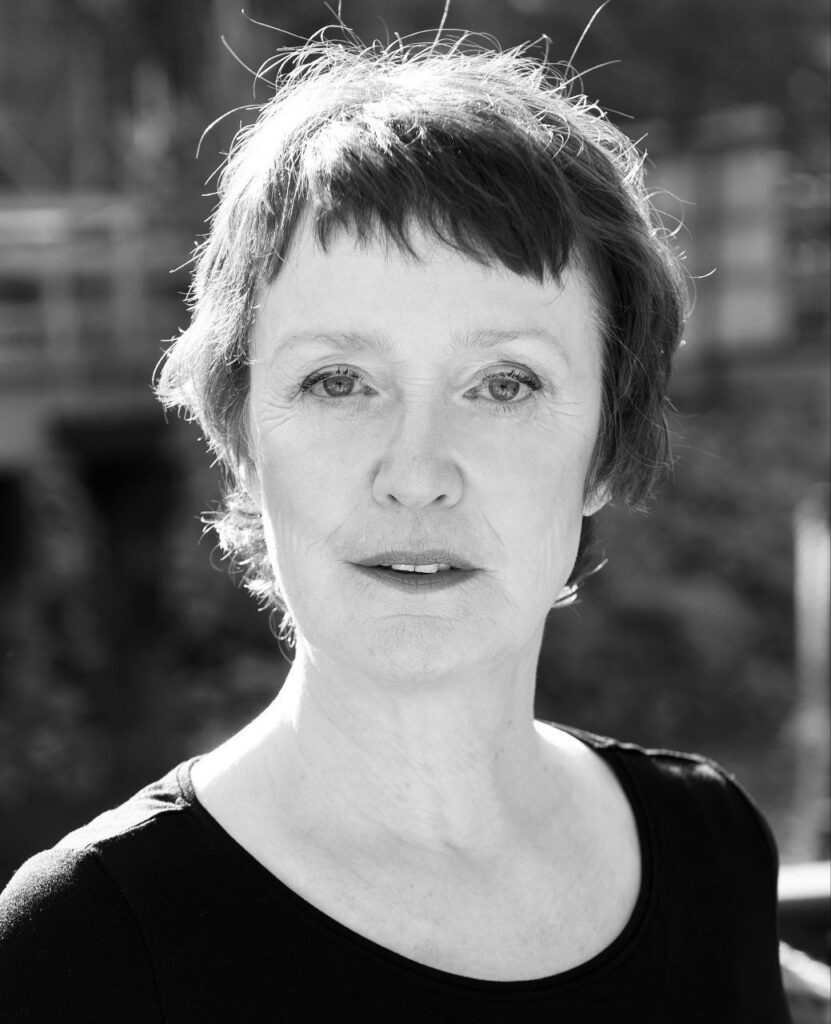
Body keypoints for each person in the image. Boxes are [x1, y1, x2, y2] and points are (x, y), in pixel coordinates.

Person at [0, 27, 792, 1022]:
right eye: (338, 381)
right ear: (240, 434)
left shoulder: (709, 847)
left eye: (504, 383)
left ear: (606, 441)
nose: (416, 475)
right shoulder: (80, 952)